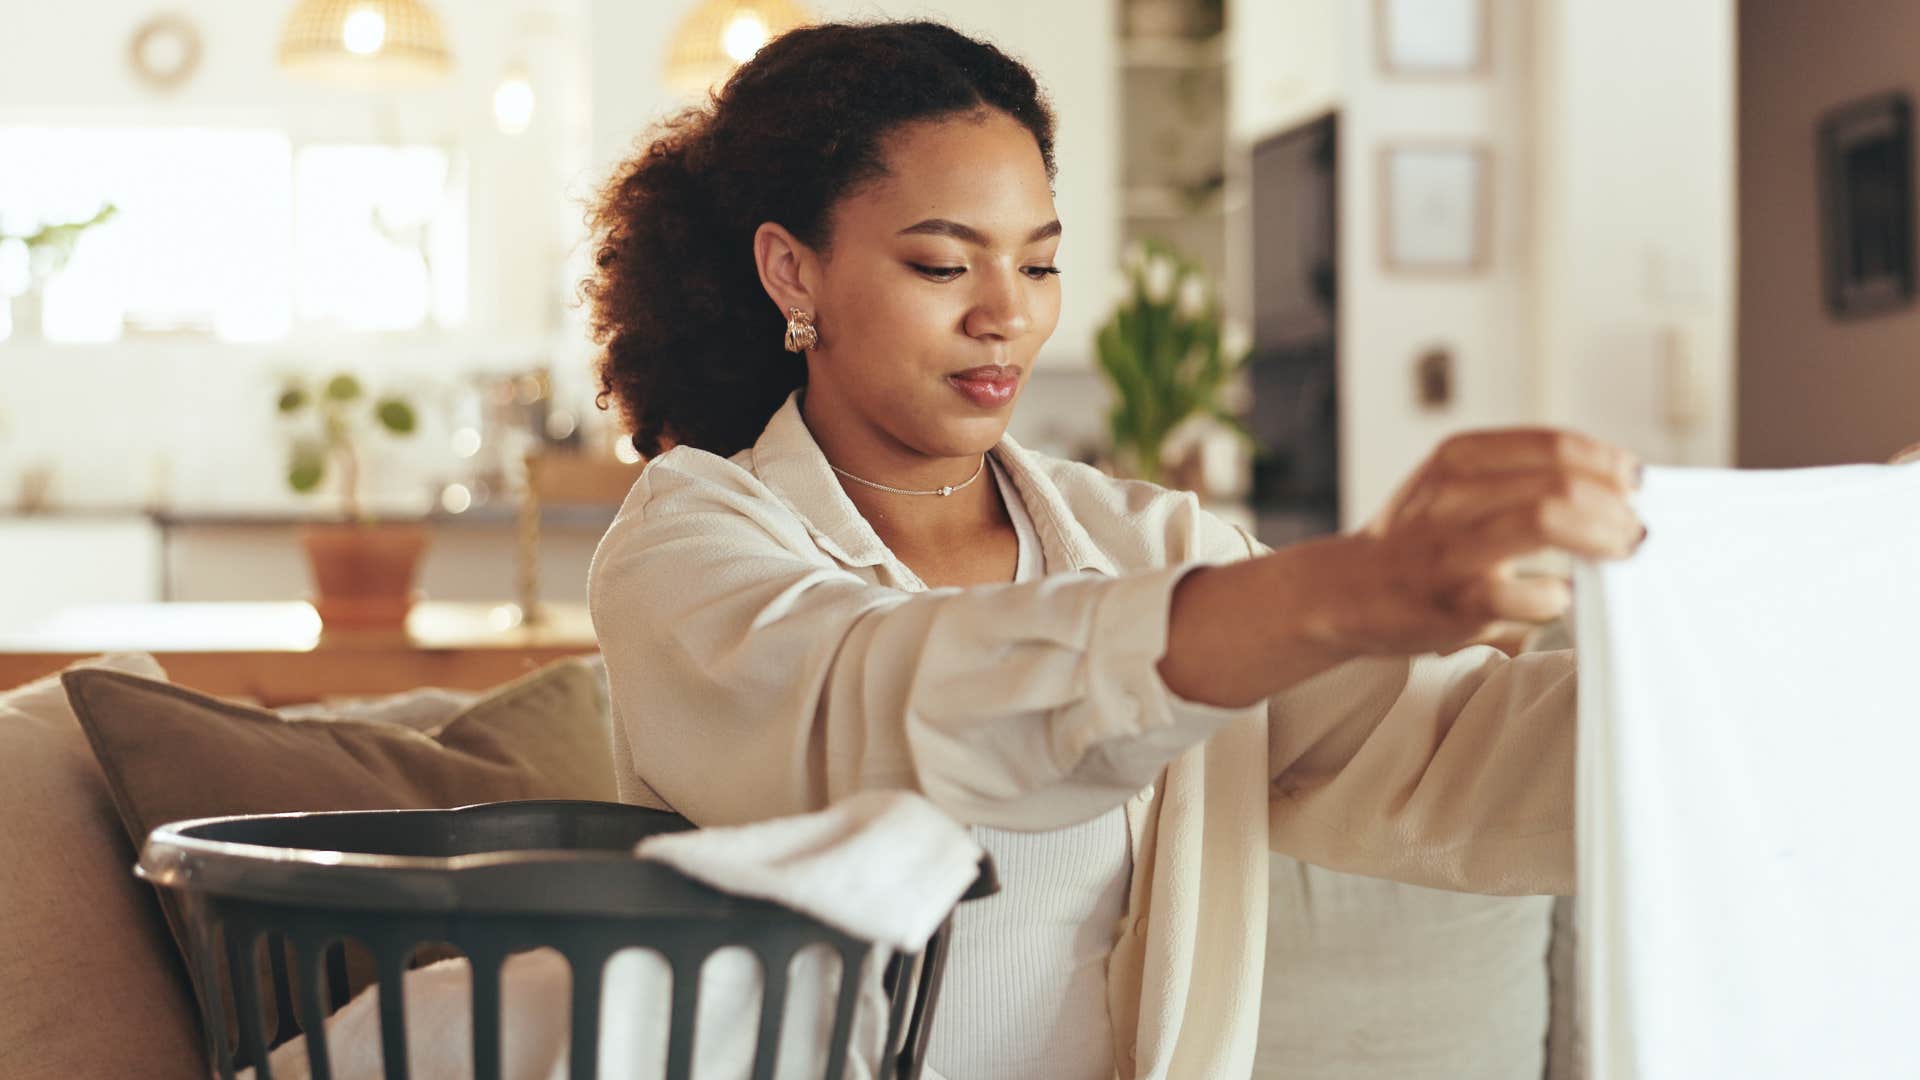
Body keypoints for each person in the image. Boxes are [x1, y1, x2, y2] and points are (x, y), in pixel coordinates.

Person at [583, 20, 1644, 1080]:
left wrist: (1755, 692)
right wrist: (1350, 584)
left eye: (1039, 263)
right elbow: (894, 716)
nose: (1007, 314)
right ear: (792, 273)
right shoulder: (691, 543)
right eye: (944, 263)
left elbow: (1446, 747)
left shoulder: (1150, 543)